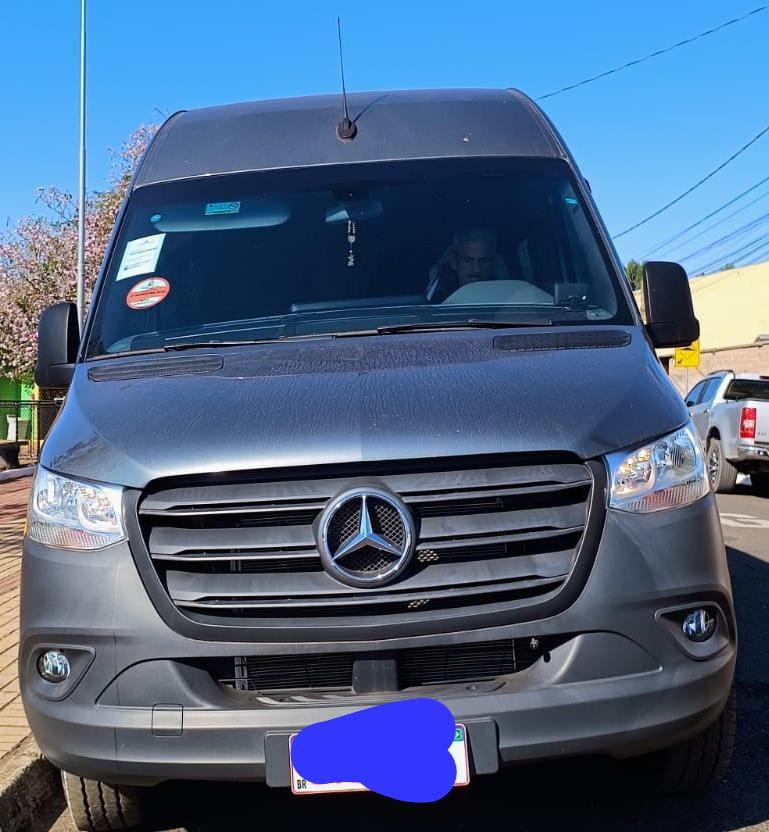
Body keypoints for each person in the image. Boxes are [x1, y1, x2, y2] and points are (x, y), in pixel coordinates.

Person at [425, 229, 508, 303]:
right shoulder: (440, 306)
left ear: (493, 263)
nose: (476, 269)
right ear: (454, 262)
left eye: (484, 261)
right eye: (468, 261)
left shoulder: (508, 302)